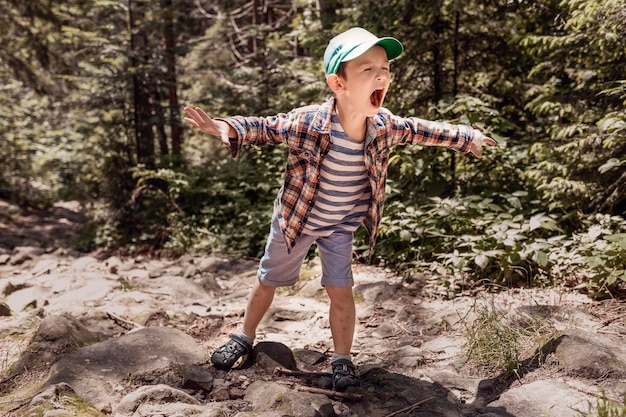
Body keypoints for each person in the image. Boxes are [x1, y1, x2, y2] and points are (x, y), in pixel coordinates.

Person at [183, 27, 496, 392]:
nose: (381, 75)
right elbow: (266, 126)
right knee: (268, 279)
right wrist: (226, 126)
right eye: (367, 70)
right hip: (296, 221)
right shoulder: (309, 123)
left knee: (341, 291)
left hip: (339, 225)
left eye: (385, 68)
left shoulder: (383, 125)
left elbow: (419, 129)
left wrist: (467, 137)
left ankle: (342, 358)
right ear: (338, 83)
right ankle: (245, 335)